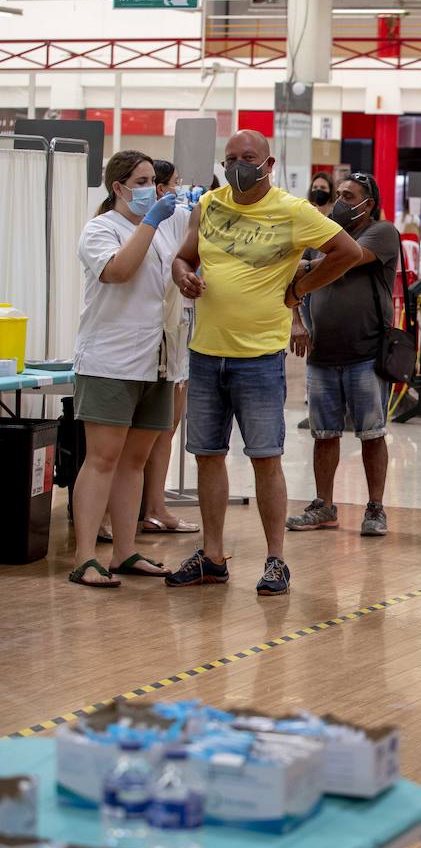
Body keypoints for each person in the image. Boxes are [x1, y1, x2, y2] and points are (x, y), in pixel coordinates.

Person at [167, 130, 363, 596]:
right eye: (231, 158)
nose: (238, 165)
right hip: (206, 351)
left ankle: (276, 560)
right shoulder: (209, 205)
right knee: (208, 456)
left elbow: (347, 252)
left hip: (258, 357)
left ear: (268, 163)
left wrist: (299, 290)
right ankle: (212, 556)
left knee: (264, 458)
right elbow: (184, 257)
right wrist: (183, 277)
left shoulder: (292, 211)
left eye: (248, 158)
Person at [68, 151, 182, 587]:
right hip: (109, 360)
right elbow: (118, 271)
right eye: (141, 181)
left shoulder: (159, 231)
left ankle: (124, 551)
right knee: (103, 459)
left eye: (154, 180)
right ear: (118, 188)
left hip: (155, 361)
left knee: (135, 461)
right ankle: (84, 557)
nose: (151, 188)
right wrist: (152, 220)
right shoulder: (100, 230)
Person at [285, 173, 399, 537]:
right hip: (322, 353)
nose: (339, 201)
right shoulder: (318, 234)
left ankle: (375, 508)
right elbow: (290, 283)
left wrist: (305, 266)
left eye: (348, 196)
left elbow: (348, 258)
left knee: (372, 433)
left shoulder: (381, 233)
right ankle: (324, 506)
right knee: (324, 434)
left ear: (368, 203)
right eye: (338, 194)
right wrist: (297, 321)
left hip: (366, 352)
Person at [139, 159, 199, 536]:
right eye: (173, 184)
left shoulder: (178, 220)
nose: (179, 192)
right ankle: (129, 511)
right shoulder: (141, 228)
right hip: (148, 342)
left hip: (178, 338)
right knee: (137, 436)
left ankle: (156, 506)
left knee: (167, 429)